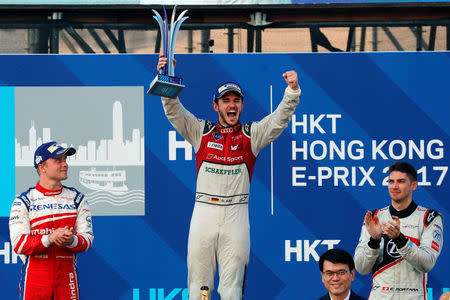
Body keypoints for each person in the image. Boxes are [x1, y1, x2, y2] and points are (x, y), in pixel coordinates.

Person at [157, 55, 301, 300]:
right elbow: (174, 111)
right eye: (226, 101)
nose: (231, 105)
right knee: (198, 288)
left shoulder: (251, 135)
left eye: (236, 100)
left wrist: (292, 92)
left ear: (242, 106)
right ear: (216, 106)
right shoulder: (201, 131)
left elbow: (278, 121)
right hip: (204, 213)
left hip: (236, 216)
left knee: (232, 290)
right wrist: (165, 76)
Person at [9, 141, 94, 300]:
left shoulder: (77, 199)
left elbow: (88, 240)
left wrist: (71, 240)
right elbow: (19, 244)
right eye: (58, 160)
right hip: (35, 278)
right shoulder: (24, 201)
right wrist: (49, 238)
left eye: (65, 160)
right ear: (42, 167)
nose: (65, 164)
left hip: (66, 276)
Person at [354, 161, 444, 300]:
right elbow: (361, 268)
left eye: (401, 181)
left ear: (413, 185)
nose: (394, 186)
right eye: (391, 181)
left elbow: (427, 264)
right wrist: (374, 241)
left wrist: (399, 239)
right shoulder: (375, 217)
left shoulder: (429, 218)